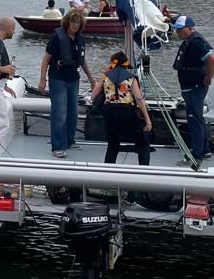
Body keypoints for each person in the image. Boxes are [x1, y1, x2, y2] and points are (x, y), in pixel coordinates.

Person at [38, 9, 99, 158]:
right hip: (58, 78)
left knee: (73, 112)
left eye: (78, 22)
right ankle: (57, 146)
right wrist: (42, 80)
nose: (75, 25)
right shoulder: (57, 38)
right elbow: (46, 59)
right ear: (67, 22)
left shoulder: (79, 38)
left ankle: (70, 140)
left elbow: (82, 61)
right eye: (73, 21)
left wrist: (92, 80)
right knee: (59, 112)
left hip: (73, 79)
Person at [171, 15, 214, 168]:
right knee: (198, 118)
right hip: (189, 86)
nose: (177, 32)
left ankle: (196, 156)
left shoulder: (196, 42)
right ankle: (205, 150)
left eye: (180, 29)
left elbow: (212, 58)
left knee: (194, 120)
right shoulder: (189, 40)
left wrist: (209, 78)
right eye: (176, 29)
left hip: (195, 87)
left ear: (190, 28)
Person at [96, 50, 152, 165]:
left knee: (112, 145)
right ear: (125, 66)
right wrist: (148, 120)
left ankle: (108, 171)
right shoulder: (131, 78)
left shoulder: (105, 77)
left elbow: (93, 97)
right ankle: (144, 170)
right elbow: (139, 99)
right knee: (143, 144)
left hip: (110, 113)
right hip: (127, 113)